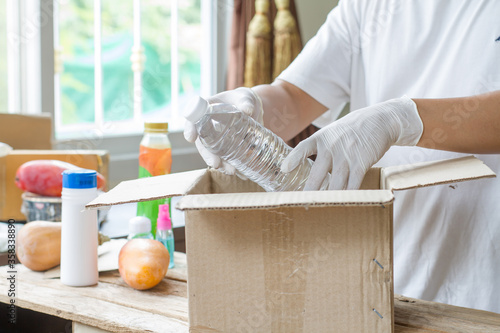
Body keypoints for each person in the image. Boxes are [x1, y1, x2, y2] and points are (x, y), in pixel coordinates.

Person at [184, 0, 500, 313]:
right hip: (385, 278)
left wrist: (403, 118)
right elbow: (295, 96)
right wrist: (253, 105)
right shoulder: (365, 7)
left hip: (483, 286)